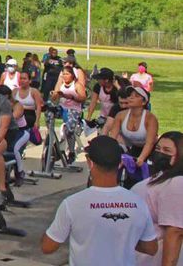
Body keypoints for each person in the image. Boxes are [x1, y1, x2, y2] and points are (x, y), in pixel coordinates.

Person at [42, 135, 158, 265]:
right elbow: (151, 247)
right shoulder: (138, 203)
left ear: (89, 162)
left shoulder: (72, 203)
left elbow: (48, 247)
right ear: (120, 163)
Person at [132, 131, 183, 266]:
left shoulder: (175, 183)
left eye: (167, 150)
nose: (160, 153)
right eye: (158, 148)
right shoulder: (164, 179)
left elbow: (175, 231)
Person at [110, 86, 159, 179]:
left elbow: (150, 143)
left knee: (146, 178)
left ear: (144, 102)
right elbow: (112, 138)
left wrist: (141, 158)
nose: (131, 97)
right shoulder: (120, 116)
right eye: (130, 95)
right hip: (135, 148)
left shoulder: (150, 118)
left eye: (136, 96)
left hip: (152, 151)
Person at [53, 63, 86, 162]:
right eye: (63, 74)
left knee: (69, 130)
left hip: (74, 110)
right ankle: (53, 142)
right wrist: (55, 95)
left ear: (72, 75)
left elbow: (83, 98)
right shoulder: (61, 84)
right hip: (62, 108)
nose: (65, 76)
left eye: (67, 74)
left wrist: (71, 97)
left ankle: (71, 151)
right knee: (49, 113)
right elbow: (55, 98)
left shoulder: (77, 85)